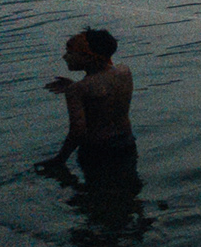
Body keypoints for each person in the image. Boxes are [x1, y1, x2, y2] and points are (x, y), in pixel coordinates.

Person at [38, 28, 137, 174]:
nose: (65, 57)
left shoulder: (78, 90)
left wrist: (60, 159)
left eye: (70, 53)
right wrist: (74, 86)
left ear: (88, 57)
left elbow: (77, 131)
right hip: (127, 143)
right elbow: (104, 91)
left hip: (97, 152)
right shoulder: (124, 71)